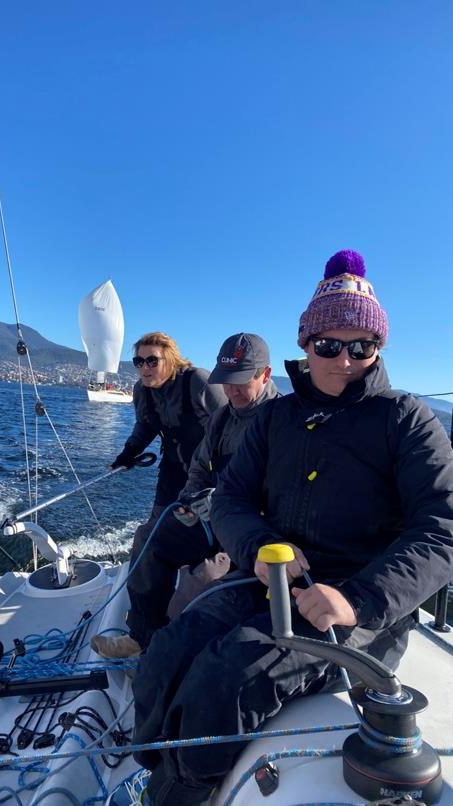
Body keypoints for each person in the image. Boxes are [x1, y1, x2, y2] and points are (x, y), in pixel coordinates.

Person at [131, 250, 453, 805]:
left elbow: (442, 528)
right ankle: (152, 768)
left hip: (355, 611)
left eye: (362, 346)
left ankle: (181, 794)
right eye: (329, 344)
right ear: (305, 345)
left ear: (378, 349)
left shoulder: (406, 420)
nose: (344, 359)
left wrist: (358, 599)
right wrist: (259, 545)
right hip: (266, 580)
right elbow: (230, 497)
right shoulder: (277, 419)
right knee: (164, 652)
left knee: (226, 678)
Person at [91, 333, 279, 659]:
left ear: (264, 374)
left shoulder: (280, 420)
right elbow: (199, 465)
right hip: (204, 499)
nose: (230, 391)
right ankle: (141, 636)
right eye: (139, 361)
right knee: (150, 538)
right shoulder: (224, 416)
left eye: (152, 360)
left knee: (206, 576)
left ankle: (170, 650)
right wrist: (190, 500)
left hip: (252, 529)